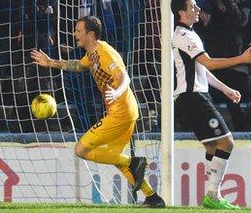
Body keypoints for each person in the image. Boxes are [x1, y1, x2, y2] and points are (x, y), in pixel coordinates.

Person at [30, 16, 165, 208]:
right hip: (125, 111)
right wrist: (51, 62)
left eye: (78, 30)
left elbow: (124, 77)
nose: (74, 34)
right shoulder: (92, 52)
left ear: (90, 34)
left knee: (81, 150)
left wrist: (117, 92)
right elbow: (78, 66)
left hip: (121, 112)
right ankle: (152, 197)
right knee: (116, 159)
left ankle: (135, 161)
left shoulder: (105, 53)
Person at [170, 0, 251, 209]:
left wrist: (226, 89)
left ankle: (212, 196)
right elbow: (209, 63)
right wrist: (241, 59)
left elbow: (202, 69)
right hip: (193, 97)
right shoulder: (183, 35)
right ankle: (213, 195)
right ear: (182, 12)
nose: (198, 8)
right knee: (227, 142)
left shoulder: (190, 34)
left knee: (212, 146)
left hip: (193, 96)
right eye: (193, 6)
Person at [194, 0, 248, 131]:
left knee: (234, 104)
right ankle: (212, 132)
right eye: (219, 1)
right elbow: (201, 30)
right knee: (207, 104)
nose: (221, 4)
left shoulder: (239, 13)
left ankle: (241, 131)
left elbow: (237, 22)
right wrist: (210, 2)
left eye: (223, 0)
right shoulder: (211, 17)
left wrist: (229, 0)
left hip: (235, 67)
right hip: (214, 66)